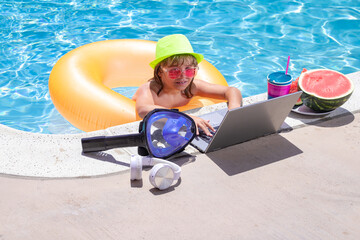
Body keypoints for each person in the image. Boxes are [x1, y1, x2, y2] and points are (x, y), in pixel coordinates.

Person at [132, 34, 242, 136]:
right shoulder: (149, 90)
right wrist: (186, 118)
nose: (183, 76)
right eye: (174, 70)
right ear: (160, 72)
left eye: (189, 70)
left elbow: (231, 91)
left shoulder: (192, 87)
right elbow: (143, 110)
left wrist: (233, 112)